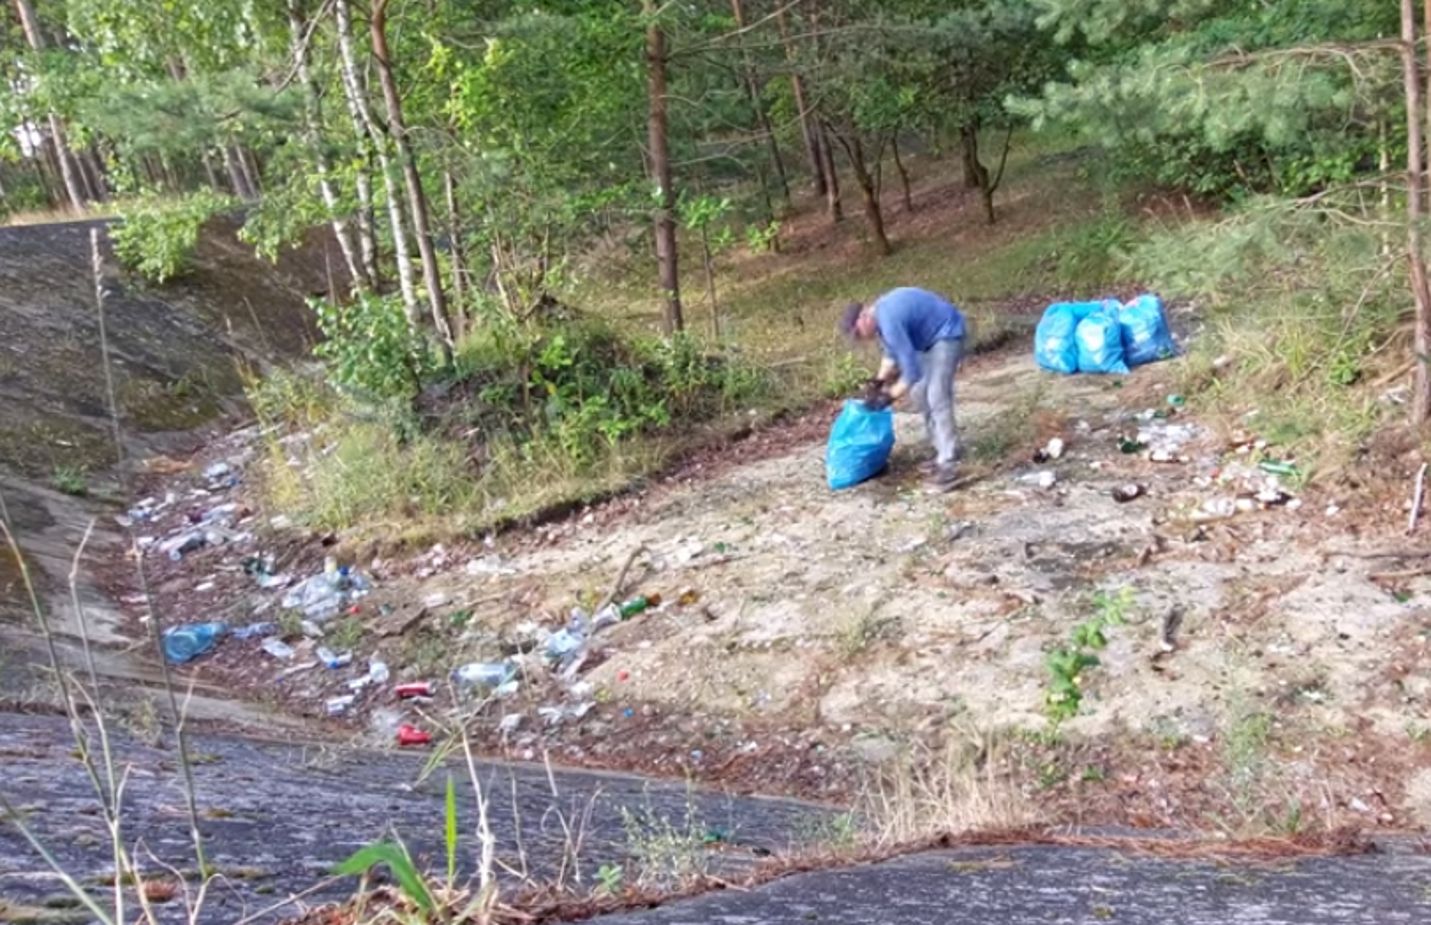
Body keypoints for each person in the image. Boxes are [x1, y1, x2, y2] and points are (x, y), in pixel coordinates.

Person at [839, 287, 966, 491]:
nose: (861, 338)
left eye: (858, 333)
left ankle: (948, 464)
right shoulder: (882, 318)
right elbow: (891, 354)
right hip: (927, 342)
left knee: (937, 395)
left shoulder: (888, 318)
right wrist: (878, 383)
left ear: (863, 317)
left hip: (947, 333)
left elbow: (911, 371)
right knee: (919, 393)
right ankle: (942, 449)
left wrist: (889, 396)